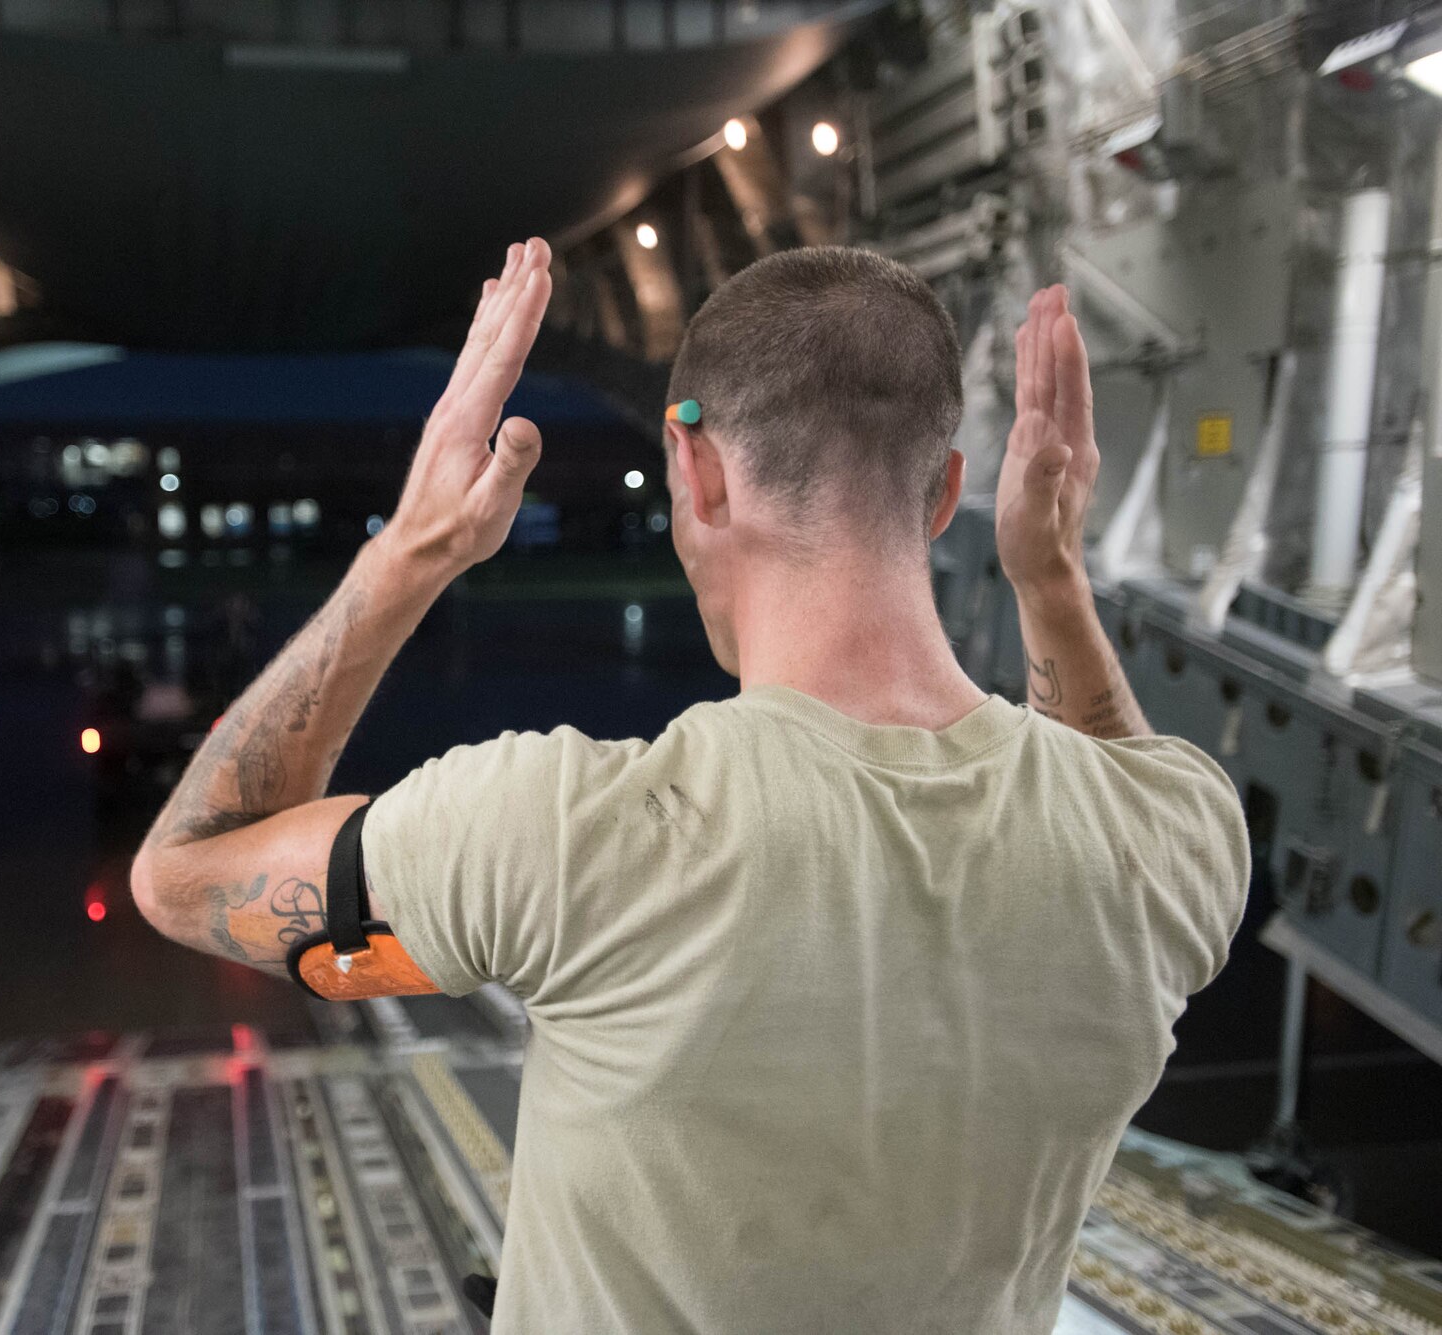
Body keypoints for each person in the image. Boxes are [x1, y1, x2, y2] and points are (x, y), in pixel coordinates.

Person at [130, 239, 1248, 1334]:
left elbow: (183, 871)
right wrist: (1047, 581)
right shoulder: (1169, 842)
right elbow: (1106, 778)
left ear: (696, 470)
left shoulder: (568, 832)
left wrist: (408, 554)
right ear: (943, 490)